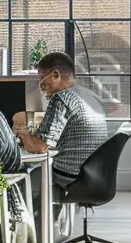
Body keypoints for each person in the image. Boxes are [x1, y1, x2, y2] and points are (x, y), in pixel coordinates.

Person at [13, 52, 107, 194]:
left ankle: (32, 216)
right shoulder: (92, 97)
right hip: (96, 174)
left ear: (55, 75)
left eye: (42, 81)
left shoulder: (61, 98)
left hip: (69, 174)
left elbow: (41, 147)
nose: (43, 88)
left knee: (18, 178)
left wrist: (24, 135)